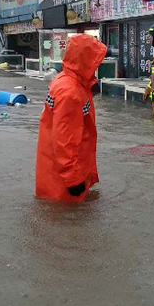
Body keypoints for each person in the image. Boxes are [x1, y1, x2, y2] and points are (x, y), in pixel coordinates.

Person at [35, 34, 107, 202]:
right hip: (64, 178)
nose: (97, 66)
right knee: (68, 221)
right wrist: (73, 179)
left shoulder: (66, 80)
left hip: (55, 168)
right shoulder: (71, 92)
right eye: (95, 61)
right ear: (85, 61)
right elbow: (64, 139)